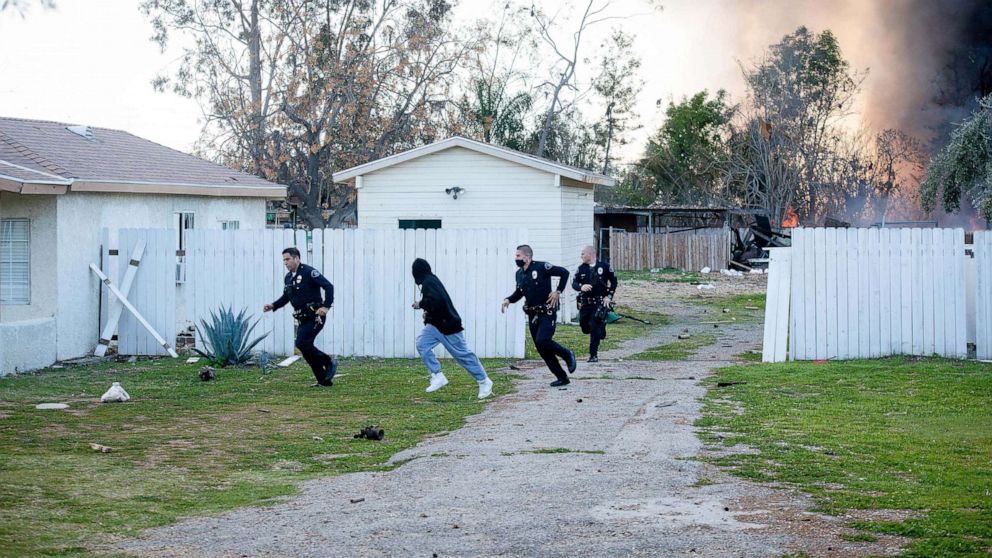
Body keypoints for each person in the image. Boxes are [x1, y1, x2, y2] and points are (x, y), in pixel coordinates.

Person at [412, 258, 494, 399]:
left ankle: (484, 381)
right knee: (422, 344)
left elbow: (438, 301)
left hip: (447, 325)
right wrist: (426, 309)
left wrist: (421, 304)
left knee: (462, 355)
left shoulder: (428, 282)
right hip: (435, 324)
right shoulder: (430, 281)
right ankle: (437, 376)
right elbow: (435, 301)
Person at [501, 245, 577, 386]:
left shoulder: (542, 267)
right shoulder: (519, 274)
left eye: (518, 256)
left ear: (527, 257)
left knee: (543, 340)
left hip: (547, 312)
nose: (516, 258)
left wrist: (558, 291)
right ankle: (562, 377)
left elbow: (564, 272)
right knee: (542, 349)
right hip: (532, 314)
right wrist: (508, 300)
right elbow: (519, 292)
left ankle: (567, 354)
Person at [263, 247, 337, 387]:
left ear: (296, 258)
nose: (285, 262)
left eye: (288, 259)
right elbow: (286, 296)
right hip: (302, 318)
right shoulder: (288, 277)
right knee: (306, 348)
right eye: (284, 260)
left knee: (302, 343)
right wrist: (273, 305)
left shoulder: (309, 272)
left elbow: (329, 286)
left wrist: (326, 307)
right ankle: (323, 379)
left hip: (315, 316)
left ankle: (328, 361)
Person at [572, 246, 618, 363]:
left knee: (594, 327)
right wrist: (581, 287)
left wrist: (609, 296)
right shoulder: (581, 268)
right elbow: (574, 283)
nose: (581, 256)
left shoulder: (604, 266)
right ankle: (601, 327)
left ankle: (593, 355)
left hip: (599, 302)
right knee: (584, 327)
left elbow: (614, 281)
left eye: (583, 254)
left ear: (591, 254)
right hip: (585, 303)